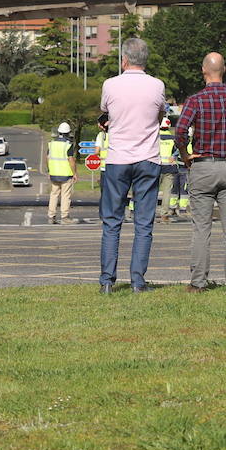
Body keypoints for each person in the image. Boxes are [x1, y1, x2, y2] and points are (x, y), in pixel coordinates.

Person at [175, 52, 226, 293]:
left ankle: (198, 282)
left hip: (203, 166)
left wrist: (185, 154)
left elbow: (180, 131)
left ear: (203, 71)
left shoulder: (195, 100)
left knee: (201, 228)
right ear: (225, 70)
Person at [98, 37, 168, 293]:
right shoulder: (157, 85)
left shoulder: (110, 84)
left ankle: (107, 281)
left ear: (124, 60)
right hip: (147, 158)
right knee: (144, 223)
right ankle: (138, 281)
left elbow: (107, 111)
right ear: (145, 60)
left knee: (112, 222)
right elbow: (160, 114)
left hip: (118, 159)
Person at [46, 121, 76, 225]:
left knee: (54, 194)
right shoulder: (68, 145)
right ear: (68, 133)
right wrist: (75, 173)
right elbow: (71, 160)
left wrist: (49, 170)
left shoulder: (51, 144)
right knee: (65, 195)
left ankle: (51, 216)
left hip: (54, 174)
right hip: (66, 175)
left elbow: (47, 158)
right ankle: (64, 217)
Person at [157, 119, 181, 222]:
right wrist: (173, 156)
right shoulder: (173, 138)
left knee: (152, 191)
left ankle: (148, 214)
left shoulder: (155, 137)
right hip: (169, 167)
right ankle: (164, 215)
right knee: (167, 192)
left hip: (156, 166)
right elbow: (179, 148)